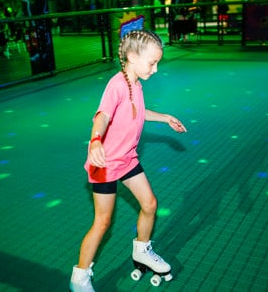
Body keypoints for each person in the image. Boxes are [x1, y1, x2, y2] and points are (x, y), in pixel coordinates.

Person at [69, 29, 187, 291]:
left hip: (127, 159)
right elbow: (103, 116)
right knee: (102, 222)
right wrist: (96, 139)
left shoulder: (136, 83)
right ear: (133, 57)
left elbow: (138, 112)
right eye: (152, 62)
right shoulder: (117, 84)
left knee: (150, 204)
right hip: (105, 163)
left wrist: (165, 117)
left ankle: (142, 249)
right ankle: (79, 277)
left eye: (157, 63)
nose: (155, 69)